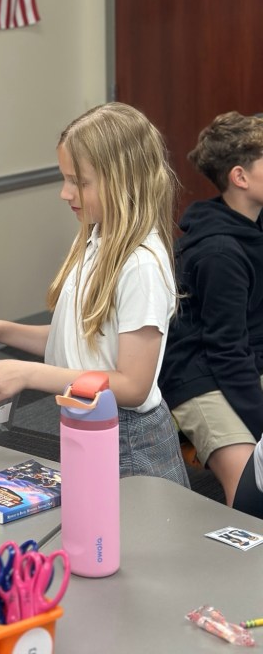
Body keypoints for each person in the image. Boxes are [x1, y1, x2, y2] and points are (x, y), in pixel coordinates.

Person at [0, 102, 189, 486]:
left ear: (123, 180)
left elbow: (132, 385)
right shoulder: (96, 238)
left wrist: (28, 373)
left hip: (128, 440)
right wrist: (0, 330)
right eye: (65, 179)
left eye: (79, 182)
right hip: (85, 421)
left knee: (130, 526)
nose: (64, 192)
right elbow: (78, 342)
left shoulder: (140, 264)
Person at [159, 112, 263, 504]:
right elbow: (225, 353)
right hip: (201, 374)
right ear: (240, 177)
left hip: (245, 361)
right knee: (252, 495)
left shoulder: (253, 224)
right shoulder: (220, 253)